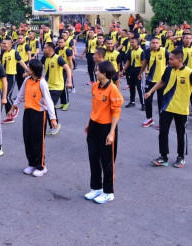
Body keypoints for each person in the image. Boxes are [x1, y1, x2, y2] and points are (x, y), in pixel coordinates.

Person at [145, 50, 192, 168]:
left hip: (181, 109)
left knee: (180, 133)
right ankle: (163, 157)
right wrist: (150, 92)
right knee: (163, 132)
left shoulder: (190, 73)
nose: (169, 61)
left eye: (171, 59)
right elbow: (161, 82)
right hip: (167, 107)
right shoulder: (168, 70)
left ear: (179, 60)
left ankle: (180, 157)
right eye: (169, 59)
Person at [81, 60, 124, 204]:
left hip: (106, 127)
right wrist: (89, 123)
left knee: (107, 161)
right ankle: (96, 188)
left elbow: (116, 112)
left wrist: (112, 132)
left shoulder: (113, 89)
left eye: (98, 70)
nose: (95, 71)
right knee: (93, 157)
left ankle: (108, 192)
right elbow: (95, 108)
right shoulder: (94, 86)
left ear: (105, 72)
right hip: (94, 125)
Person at [10, 59, 58, 177]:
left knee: (38, 141)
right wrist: (13, 107)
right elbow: (20, 95)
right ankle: (31, 164)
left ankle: (41, 166)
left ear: (34, 69)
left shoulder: (42, 83)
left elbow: (49, 102)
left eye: (28, 66)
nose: (26, 67)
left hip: (39, 114)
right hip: (28, 113)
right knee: (28, 139)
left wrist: (53, 119)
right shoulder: (27, 80)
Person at [41, 42, 73, 134]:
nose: (43, 49)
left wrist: (69, 81)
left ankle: (55, 125)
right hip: (48, 86)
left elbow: (67, 68)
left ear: (50, 49)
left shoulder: (58, 58)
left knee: (48, 106)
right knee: (48, 106)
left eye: (44, 48)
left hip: (57, 87)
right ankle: (54, 125)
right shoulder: (45, 58)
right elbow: (38, 67)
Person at [140, 37, 168, 128]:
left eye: (157, 43)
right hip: (150, 80)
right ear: (150, 44)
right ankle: (149, 118)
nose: (155, 44)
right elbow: (145, 63)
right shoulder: (148, 52)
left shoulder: (164, 51)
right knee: (147, 99)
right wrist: (141, 72)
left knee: (161, 102)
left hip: (161, 81)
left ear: (160, 44)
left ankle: (162, 122)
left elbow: (170, 63)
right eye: (153, 43)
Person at [120, 37, 144, 110]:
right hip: (132, 70)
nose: (131, 43)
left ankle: (143, 104)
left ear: (137, 42)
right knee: (132, 86)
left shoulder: (141, 51)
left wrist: (143, 73)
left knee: (140, 87)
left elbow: (143, 63)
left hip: (139, 70)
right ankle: (132, 101)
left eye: (133, 42)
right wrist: (123, 70)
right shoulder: (131, 51)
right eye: (131, 42)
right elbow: (128, 62)